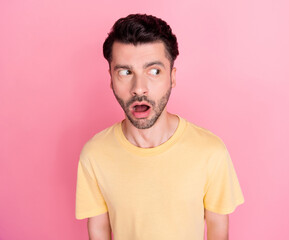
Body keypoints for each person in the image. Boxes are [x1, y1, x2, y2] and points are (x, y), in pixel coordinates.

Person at [75, 14, 244, 240]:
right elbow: (99, 229)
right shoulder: (94, 155)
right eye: (125, 72)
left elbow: (218, 228)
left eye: (154, 71)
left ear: (172, 77)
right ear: (111, 78)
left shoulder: (211, 151)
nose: (139, 88)